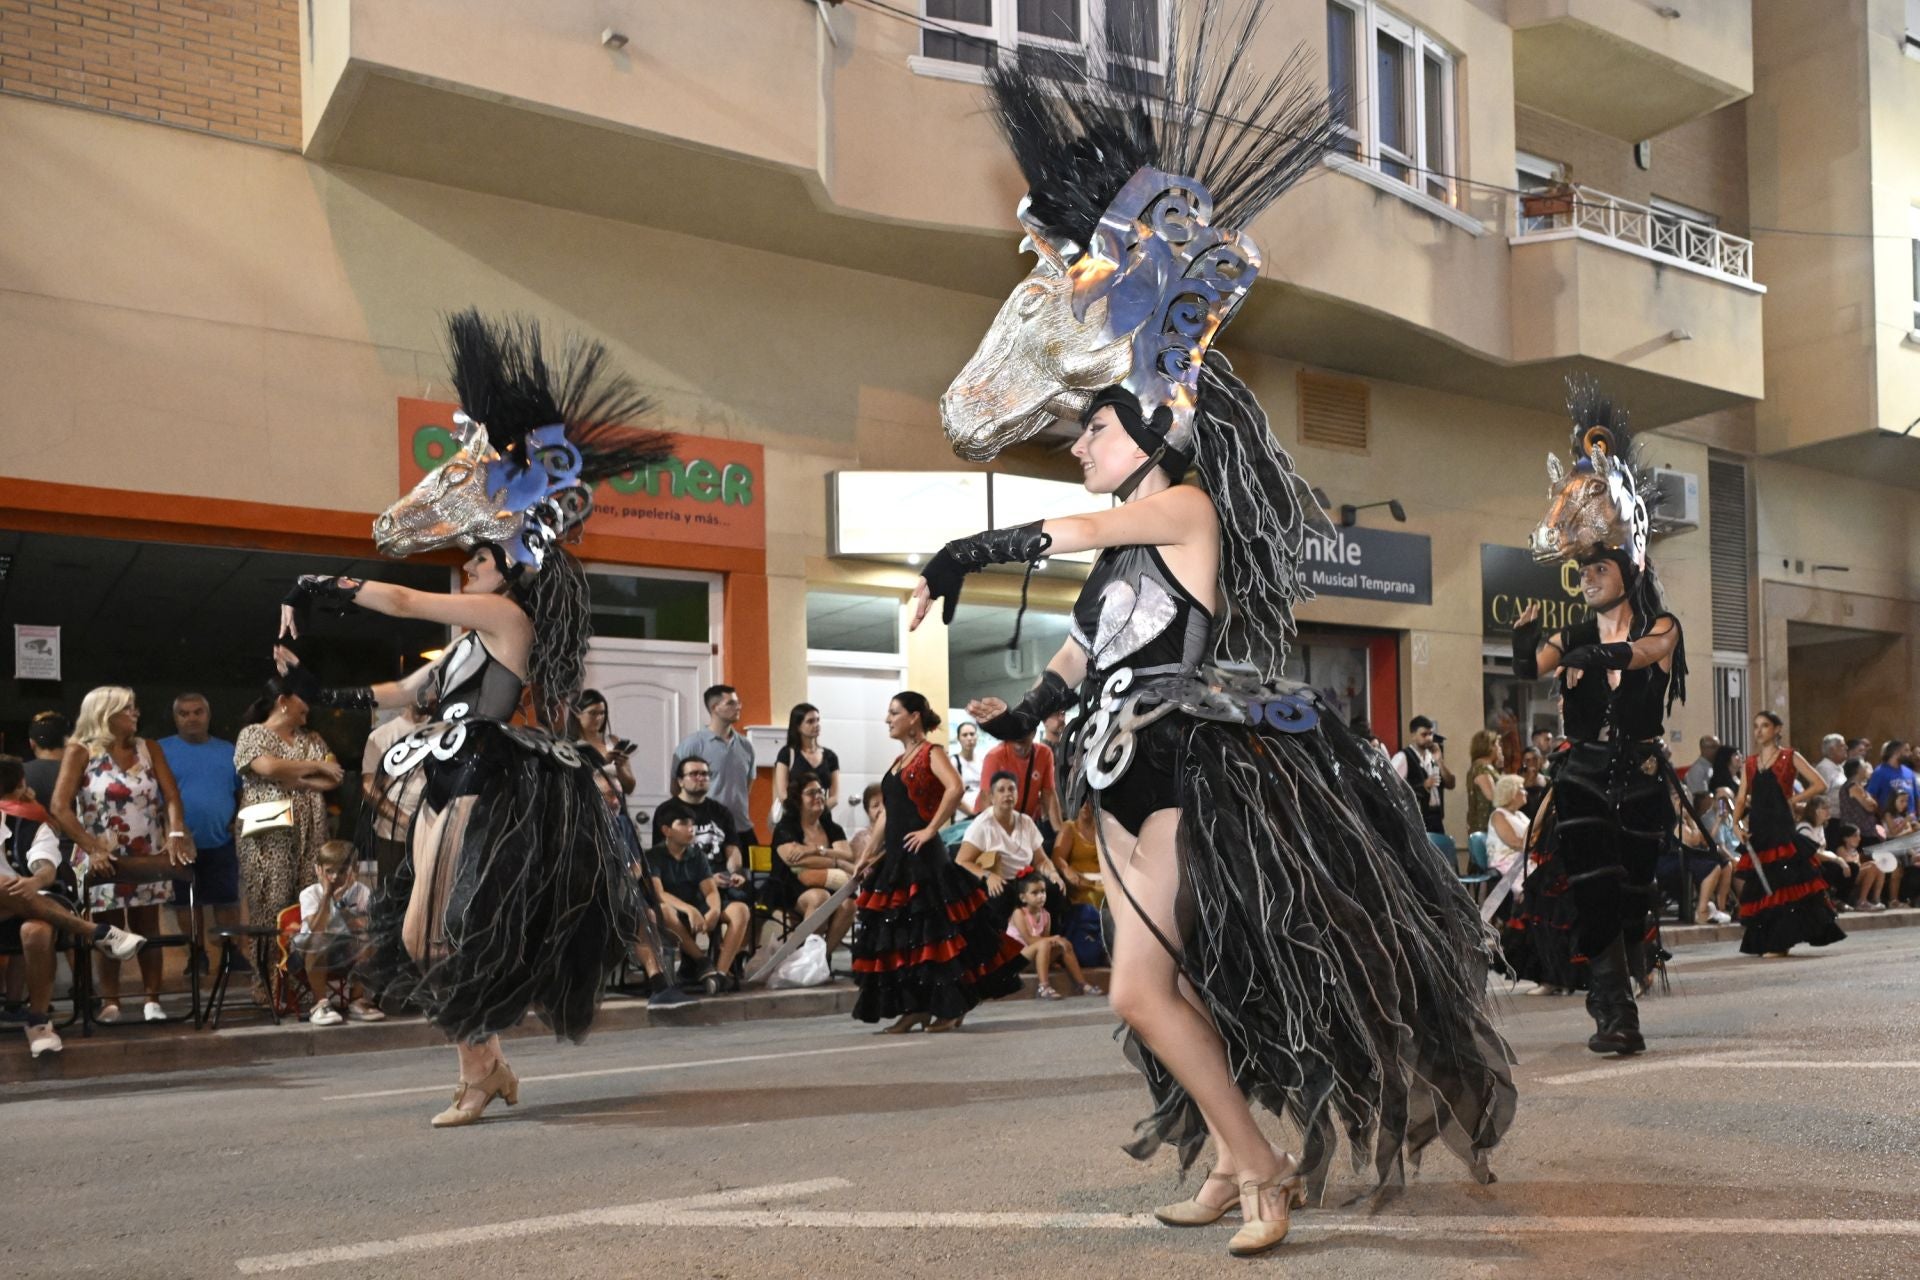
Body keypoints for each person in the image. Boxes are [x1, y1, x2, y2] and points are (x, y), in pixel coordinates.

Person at [919, 43, 1513, 1253]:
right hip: (1122, 778)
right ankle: (1232, 1152)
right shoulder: (1123, 561)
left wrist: (962, 553)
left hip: (1191, 779)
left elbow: (1088, 519)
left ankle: (1257, 1166)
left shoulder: (1180, 509)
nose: (1078, 438)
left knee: (1146, 988)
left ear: (1145, 429)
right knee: (1164, 995)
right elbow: (1088, 655)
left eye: (1092, 423)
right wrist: (1020, 711)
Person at [277, 310, 669, 1127]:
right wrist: (323, 694)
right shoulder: (465, 645)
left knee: (441, 934)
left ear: (504, 573)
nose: (468, 567)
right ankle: (484, 1065)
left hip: (491, 782)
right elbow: (403, 698)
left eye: (479, 560)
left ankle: (477, 1073)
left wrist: (327, 585)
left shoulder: (506, 623)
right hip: (446, 777)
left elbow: (403, 596)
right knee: (420, 937)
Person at [1512, 378, 1688, 1056]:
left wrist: (1588, 650)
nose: (1586, 577)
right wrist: (1526, 639)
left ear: (1625, 566)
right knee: (1593, 889)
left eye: (1597, 567)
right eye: (1581, 569)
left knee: (1634, 891)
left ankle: (1631, 964)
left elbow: (1645, 653)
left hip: (1642, 778)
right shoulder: (1570, 635)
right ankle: (1613, 1012)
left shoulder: (1663, 625)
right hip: (1583, 775)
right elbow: (1534, 667)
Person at [848, 692, 1023, 1034]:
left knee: (936, 941)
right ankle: (916, 1009)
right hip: (897, 862)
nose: (887, 719)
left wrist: (931, 829)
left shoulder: (932, 752)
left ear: (914, 717)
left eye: (893, 712)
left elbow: (955, 788)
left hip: (925, 863)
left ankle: (951, 1008)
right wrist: (867, 854)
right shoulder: (898, 762)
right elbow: (887, 816)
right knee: (906, 942)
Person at [48, 686, 194, 1024]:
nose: (135, 713)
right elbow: (59, 806)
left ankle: (152, 999)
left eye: (135, 707)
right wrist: (91, 847)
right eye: (127, 708)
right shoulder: (80, 751)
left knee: (148, 926)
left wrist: (174, 833)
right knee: (109, 927)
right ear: (105, 713)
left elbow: (172, 796)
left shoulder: (149, 748)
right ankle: (110, 1000)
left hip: (146, 851)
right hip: (103, 855)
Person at [1, 755, 144, 1056]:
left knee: (36, 931)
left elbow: (45, 866)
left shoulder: (31, 826)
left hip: (32, 907)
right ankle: (96, 932)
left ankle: (38, 1021)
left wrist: (35, 881)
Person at [234, 672, 339, 1005]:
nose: (309, 709)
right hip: (269, 835)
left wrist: (298, 776)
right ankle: (266, 983)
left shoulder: (313, 737)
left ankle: (303, 984)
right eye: (304, 700)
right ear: (284, 701)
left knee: (307, 904)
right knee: (270, 903)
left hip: (312, 833)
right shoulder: (253, 734)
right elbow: (266, 768)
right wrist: (310, 768)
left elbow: (333, 776)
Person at [1729, 712, 1844, 957]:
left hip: (1781, 827)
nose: (1759, 731)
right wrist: (1735, 825)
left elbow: (1819, 783)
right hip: (1759, 827)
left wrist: (1794, 799)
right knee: (1763, 885)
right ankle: (1771, 940)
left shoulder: (1789, 756)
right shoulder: (1750, 763)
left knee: (1784, 883)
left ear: (1777, 728)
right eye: (1756, 726)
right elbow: (1740, 798)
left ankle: (1780, 942)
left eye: (1765, 726)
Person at [158, 692, 243, 971]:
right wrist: (169, 831)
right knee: (186, 904)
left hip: (221, 840)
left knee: (227, 900)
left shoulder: (228, 750)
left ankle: (232, 955)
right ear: (175, 718)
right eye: (184, 713)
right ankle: (197, 955)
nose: (192, 718)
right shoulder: (160, 750)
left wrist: (238, 819)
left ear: (208, 716)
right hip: (177, 843)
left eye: (198, 712)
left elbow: (244, 790)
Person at [646, 807, 750, 991]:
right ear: (666, 830)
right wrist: (689, 910)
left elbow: (709, 890)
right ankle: (702, 960)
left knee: (740, 910)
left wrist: (714, 911)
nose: (691, 828)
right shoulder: (654, 856)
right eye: (683, 823)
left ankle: (720, 974)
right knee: (664, 911)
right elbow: (659, 893)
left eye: (692, 824)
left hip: (697, 903)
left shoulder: (697, 855)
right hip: (675, 907)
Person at [956, 769, 1069, 932]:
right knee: (1002, 896)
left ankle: (1050, 940)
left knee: (1055, 889)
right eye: (1001, 790)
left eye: (1011, 789)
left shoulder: (1026, 821)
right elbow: (961, 860)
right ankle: (1007, 948)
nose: (1007, 794)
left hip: (1025, 880)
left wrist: (1053, 874)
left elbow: (1041, 860)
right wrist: (988, 876)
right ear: (991, 797)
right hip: (999, 879)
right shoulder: (982, 825)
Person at [767, 769, 859, 958]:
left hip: (830, 884)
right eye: (811, 793)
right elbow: (793, 860)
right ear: (797, 799)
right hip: (790, 886)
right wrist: (836, 861)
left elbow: (848, 856)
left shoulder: (832, 828)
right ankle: (805, 957)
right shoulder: (786, 828)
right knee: (819, 897)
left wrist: (816, 850)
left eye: (820, 792)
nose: (818, 796)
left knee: (850, 905)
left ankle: (821, 958)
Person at [653, 757, 752, 926]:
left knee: (743, 905)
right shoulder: (667, 811)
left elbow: (732, 849)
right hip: (683, 883)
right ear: (680, 781)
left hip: (720, 882)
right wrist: (707, 879)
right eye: (694, 774)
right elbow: (663, 858)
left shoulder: (721, 811)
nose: (701, 778)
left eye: (705, 774)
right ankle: (696, 953)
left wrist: (734, 873)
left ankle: (727, 953)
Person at [293, 840, 383, 1025]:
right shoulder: (310, 893)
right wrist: (327, 896)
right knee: (319, 939)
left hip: (345, 952)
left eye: (341, 872)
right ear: (318, 870)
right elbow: (316, 928)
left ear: (353, 870)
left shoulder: (361, 892)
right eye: (329, 871)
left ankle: (357, 1000)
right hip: (308, 954)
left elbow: (363, 926)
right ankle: (320, 1004)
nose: (334, 877)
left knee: (367, 939)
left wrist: (341, 904)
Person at [673, 685, 757, 850]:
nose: (738, 707)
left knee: (753, 874)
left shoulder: (746, 746)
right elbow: (676, 788)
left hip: (741, 828)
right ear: (714, 708)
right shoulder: (692, 745)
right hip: (706, 831)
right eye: (731, 703)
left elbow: (747, 786)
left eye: (738, 702)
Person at [360, 699, 430, 885]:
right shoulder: (381, 735)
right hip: (393, 836)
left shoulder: (444, 731)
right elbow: (369, 787)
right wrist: (406, 820)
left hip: (434, 832)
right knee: (391, 899)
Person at [971, 726, 1063, 858]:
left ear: (1033, 733)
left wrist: (1059, 832)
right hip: (994, 821)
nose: (1019, 747)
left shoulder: (1044, 753)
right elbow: (986, 798)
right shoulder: (995, 756)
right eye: (1015, 741)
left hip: (1024, 823)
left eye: (1023, 741)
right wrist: (997, 835)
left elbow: (1048, 794)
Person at [1007, 876, 1099, 999]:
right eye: (1034, 893)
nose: (1041, 896)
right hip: (1018, 959)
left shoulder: (1046, 915)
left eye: (1043, 891)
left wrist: (1055, 950)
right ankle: (1043, 987)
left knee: (1065, 944)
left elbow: (1045, 940)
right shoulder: (1019, 913)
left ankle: (1082, 984)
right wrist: (1052, 939)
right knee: (1046, 943)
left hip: (1033, 959)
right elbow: (1029, 939)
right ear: (1023, 897)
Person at [771, 702, 840, 824]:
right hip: (794, 819)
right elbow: (783, 794)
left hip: (822, 818)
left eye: (818, 720)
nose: (816, 725)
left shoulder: (830, 756)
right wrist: (804, 813)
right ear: (798, 726)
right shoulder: (787, 754)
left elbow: (834, 797)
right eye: (810, 721)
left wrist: (817, 811)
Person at [1392, 716, 1454, 836]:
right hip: (1416, 819)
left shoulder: (1433, 757)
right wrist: (1423, 786)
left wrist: (1440, 761)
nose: (1429, 738)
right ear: (1413, 735)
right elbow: (1391, 788)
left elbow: (1451, 784)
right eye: (1424, 734)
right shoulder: (1403, 757)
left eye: (1431, 734)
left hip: (1436, 817)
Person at [1818, 820, 1883, 912]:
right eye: (1855, 836)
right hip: (1847, 876)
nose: (1859, 839)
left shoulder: (1855, 851)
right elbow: (1852, 867)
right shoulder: (1841, 849)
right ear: (1846, 838)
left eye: (1859, 836)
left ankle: (1876, 898)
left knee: (1878, 865)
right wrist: (1869, 865)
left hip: (1856, 875)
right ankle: (1861, 901)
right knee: (1872, 866)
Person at [1465, 730, 1502, 837]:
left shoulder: (1486, 767)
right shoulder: (1482, 768)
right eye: (1497, 745)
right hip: (1485, 827)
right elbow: (1492, 796)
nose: (1499, 749)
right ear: (1490, 747)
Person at [1865, 741, 1916, 812]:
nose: (1910, 754)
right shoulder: (1879, 772)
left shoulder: (1909, 772)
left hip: (1911, 820)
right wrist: (1882, 816)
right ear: (1896, 752)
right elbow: (1871, 796)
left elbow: (1916, 796)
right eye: (1906, 750)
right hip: (1889, 821)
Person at [950, 721, 985, 812]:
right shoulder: (953, 762)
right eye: (965, 735)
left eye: (972, 734)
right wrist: (972, 813)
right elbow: (952, 795)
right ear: (958, 738)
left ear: (977, 737)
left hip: (982, 812)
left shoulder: (982, 761)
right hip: (962, 816)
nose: (969, 738)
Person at [847, 783, 884, 863]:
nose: (882, 809)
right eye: (875, 805)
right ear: (868, 811)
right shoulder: (861, 838)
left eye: (885, 803)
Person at [1684, 735, 1721, 806]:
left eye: (1719, 747)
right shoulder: (1698, 769)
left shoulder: (1713, 765)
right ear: (1703, 749)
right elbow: (1701, 798)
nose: (1718, 750)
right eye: (1714, 747)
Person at [1518, 747, 1550, 820]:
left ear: (1540, 759)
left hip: (1542, 817)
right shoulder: (1518, 779)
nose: (1532, 763)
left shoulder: (1547, 779)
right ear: (1524, 762)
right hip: (1524, 818)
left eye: (1535, 759)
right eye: (1528, 760)